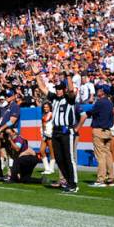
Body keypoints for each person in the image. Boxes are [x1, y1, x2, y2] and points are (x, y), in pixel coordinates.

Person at [36, 65, 85, 194]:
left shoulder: (69, 99)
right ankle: (68, 181)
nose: (58, 91)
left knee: (69, 158)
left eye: (60, 89)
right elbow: (42, 88)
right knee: (58, 158)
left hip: (66, 131)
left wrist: (68, 75)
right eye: (57, 89)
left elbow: (71, 90)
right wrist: (37, 75)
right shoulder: (54, 99)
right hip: (56, 131)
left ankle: (73, 184)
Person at [88, 85, 114, 187]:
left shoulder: (100, 102)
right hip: (108, 131)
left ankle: (101, 180)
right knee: (108, 154)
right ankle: (111, 178)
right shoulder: (109, 103)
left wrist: (86, 113)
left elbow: (92, 112)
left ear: (102, 92)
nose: (97, 91)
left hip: (99, 130)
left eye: (99, 90)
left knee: (100, 156)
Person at [39, 102, 54, 175]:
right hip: (44, 135)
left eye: (47, 107)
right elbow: (42, 125)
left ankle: (51, 169)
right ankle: (47, 168)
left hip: (50, 135)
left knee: (52, 152)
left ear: (50, 107)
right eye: (44, 107)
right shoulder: (43, 115)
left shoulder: (51, 114)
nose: (45, 108)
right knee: (41, 151)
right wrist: (42, 133)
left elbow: (46, 121)